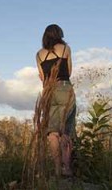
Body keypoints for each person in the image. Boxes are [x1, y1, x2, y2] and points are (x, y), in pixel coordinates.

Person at [35, 24, 76, 177]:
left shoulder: (39, 55)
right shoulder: (65, 49)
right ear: (59, 34)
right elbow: (69, 72)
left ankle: (57, 169)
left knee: (52, 133)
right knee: (65, 131)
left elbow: (42, 78)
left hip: (48, 92)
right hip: (65, 88)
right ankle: (67, 169)